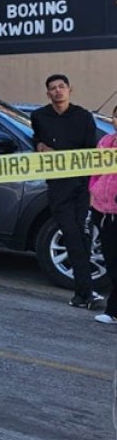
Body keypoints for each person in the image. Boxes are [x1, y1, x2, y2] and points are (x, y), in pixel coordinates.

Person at [30, 73, 104, 309]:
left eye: (62, 87)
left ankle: (83, 293)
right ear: (48, 93)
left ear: (70, 90)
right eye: (53, 88)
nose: (58, 91)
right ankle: (86, 292)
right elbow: (36, 140)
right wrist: (40, 146)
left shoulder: (83, 117)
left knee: (80, 237)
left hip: (81, 186)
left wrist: (92, 186)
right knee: (71, 235)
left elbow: (91, 152)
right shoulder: (39, 116)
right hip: (58, 186)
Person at [90, 108, 117, 325]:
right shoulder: (106, 142)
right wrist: (94, 193)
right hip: (103, 210)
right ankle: (113, 311)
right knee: (111, 261)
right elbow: (96, 172)